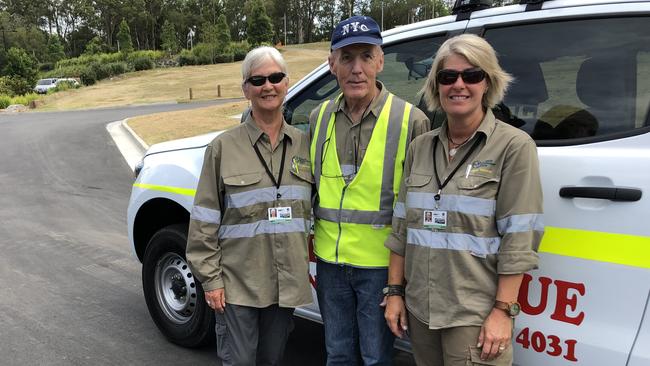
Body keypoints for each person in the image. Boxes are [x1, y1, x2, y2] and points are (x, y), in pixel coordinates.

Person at [384, 34, 543, 366]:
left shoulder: (514, 147)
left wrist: (503, 312)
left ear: (488, 83)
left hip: (474, 316)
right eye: (447, 76)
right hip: (421, 310)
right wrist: (395, 293)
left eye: (472, 75)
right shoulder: (420, 148)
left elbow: (520, 238)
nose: (459, 84)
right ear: (436, 85)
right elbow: (401, 228)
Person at [309, 15, 430, 365]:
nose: (356, 68)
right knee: (338, 355)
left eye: (365, 56)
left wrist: (396, 285)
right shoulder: (319, 118)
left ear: (380, 61)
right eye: (346, 58)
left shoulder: (410, 120)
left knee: (376, 358)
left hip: (380, 268)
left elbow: (413, 209)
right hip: (331, 265)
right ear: (332, 64)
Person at [186, 46, 313, 366]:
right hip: (237, 285)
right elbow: (203, 220)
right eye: (257, 80)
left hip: (284, 286)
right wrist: (211, 280)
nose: (267, 86)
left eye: (275, 77)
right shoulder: (222, 148)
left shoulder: (305, 145)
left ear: (287, 83)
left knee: (273, 360)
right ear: (246, 89)